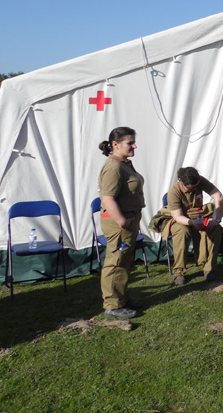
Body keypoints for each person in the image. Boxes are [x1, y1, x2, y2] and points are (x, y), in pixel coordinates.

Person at [98, 127, 144, 320]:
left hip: (128, 220)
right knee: (116, 261)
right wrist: (122, 221)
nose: (134, 146)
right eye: (130, 143)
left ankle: (122, 298)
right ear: (115, 145)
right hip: (119, 223)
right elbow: (107, 198)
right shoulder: (114, 167)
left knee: (124, 260)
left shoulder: (124, 164)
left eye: (134, 142)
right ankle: (112, 305)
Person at [163, 167, 223, 285]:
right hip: (181, 219)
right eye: (191, 188)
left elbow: (218, 196)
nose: (194, 189)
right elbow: (178, 216)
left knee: (215, 229)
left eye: (196, 186)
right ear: (181, 182)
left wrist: (217, 219)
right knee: (182, 232)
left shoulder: (199, 181)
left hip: (198, 216)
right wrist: (193, 223)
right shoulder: (174, 192)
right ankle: (179, 271)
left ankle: (210, 268)